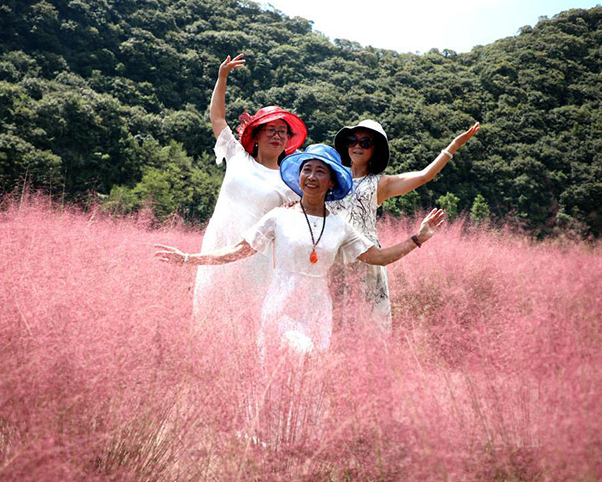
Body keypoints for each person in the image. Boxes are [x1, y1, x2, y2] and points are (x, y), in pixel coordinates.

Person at [155, 144, 446, 353]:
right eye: (307, 169)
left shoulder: (340, 227)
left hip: (317, 307)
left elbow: (379, 257)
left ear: (332, 181)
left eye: (321, 171)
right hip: (280, 302)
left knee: (311, 376)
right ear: (299, 177)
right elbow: (237, 250)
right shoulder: (279, 217)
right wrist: (188, 259)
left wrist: (418, 238)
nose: (312, 176)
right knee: (288, 360)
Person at [326, 119, 480, 332]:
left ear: (375, 149)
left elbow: (425, 176)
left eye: (365, 142)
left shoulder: (381, 183)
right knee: (332, 322)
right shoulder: (332, 177)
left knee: (366, 326)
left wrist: (453, 145)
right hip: (332, 257)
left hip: (367, 258)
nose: (357, 146)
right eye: (352, 140)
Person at [192, 54, 307, 336]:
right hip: (219, 244)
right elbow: (217, 117)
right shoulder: (237, 156)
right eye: (271, 129)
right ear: (255, 135)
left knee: (247, 322)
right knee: (208, 313)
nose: (277, 135)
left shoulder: (291, 181)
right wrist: (222, 78)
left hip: (257, 260)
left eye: (283, 131)